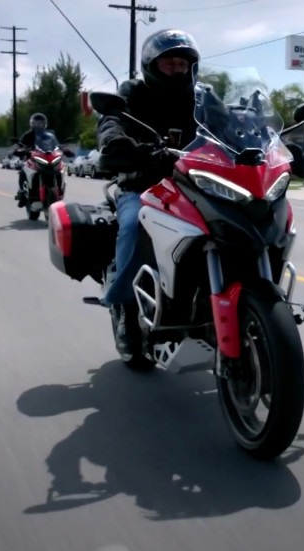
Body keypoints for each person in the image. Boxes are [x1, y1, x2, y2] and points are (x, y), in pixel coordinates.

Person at [95, 29, 203, 356]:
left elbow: (231, 125)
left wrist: (264, 143)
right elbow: (111, 121)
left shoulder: (200, 97)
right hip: (142, 184)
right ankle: (126, 309)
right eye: (169, 63)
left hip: (193, 185)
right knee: (132, 225)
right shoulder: (132, 93)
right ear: (151, 65)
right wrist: (117, 143)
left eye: (182, 64)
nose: (177, 69)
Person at [14, 113, 50, 206]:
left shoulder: (48, 135)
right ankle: (22, 192)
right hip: (30, 160)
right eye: (36, 123)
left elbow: (55, 144)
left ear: (44, 124)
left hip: (44, 159)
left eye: (40, 123)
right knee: (23, 172)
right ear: (32, 123)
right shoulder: (28, 135)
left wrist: (61, 148)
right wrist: (19, 149)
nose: (38, 125)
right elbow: (19, 145)